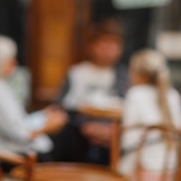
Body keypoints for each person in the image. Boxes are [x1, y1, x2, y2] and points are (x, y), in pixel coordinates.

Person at [0, 33, 68, 164]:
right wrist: (48, 126)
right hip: (12, 159)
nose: (14, 64)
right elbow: (22, 134)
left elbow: (10, 125)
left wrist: (42, 115)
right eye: (10, 60)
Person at [51, 17, 130, 164]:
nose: (108, 49)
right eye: (104, 43)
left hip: (113, 142)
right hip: (78, 143)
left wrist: (110, 131)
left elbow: (131, 110)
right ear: (92, 45)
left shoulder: (125, 77)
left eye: (114, 43)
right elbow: (60, 109)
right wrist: (84, 126)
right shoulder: (76, 73)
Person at [118, 49, 181, 180]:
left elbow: (127, 141)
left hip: (141, 170)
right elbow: (180, 130)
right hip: (170, 169)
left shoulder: (135, 94)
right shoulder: (173, 94)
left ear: (139, 75)